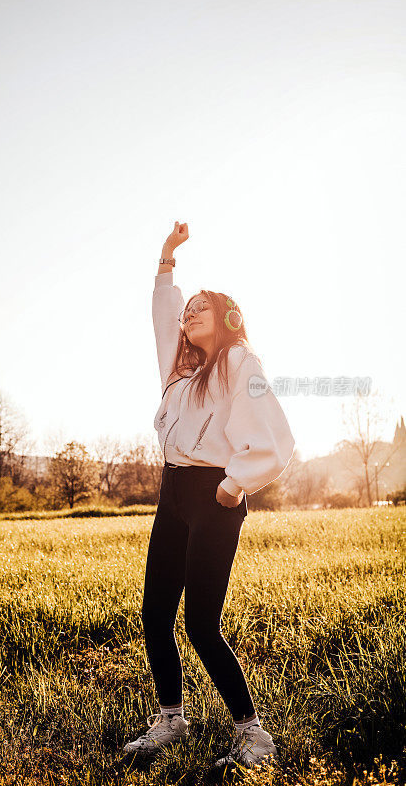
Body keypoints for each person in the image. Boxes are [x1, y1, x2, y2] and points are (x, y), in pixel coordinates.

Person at [123, 221, 296, 770]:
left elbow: (276, 437)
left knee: (200, 622)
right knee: (155, 613)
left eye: (202, 307)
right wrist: (167, 260)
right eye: (187, 307)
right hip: (171, 493)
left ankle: (253, 735)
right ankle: (171, 718)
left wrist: (233, 483)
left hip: (213, 497)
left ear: (227, 319)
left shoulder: (240, 363)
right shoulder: (178, 372)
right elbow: (160, 318)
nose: (189, 311)